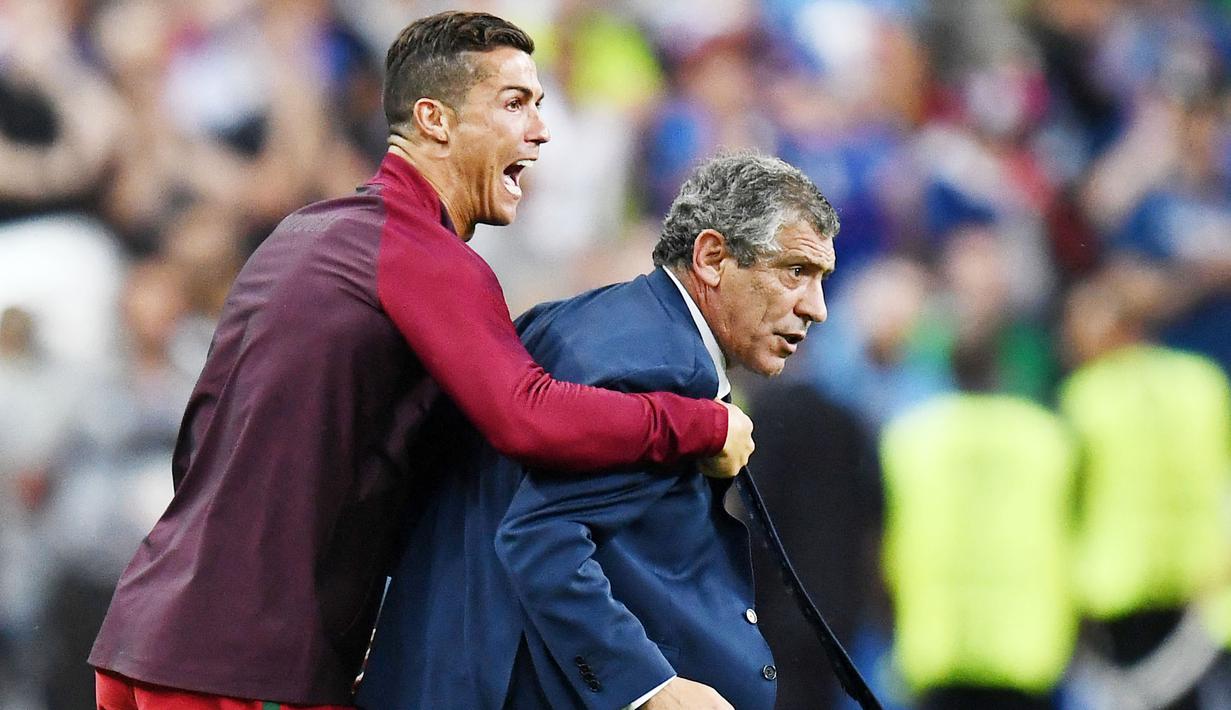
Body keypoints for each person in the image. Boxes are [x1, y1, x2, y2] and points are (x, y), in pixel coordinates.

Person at [90, 12, 754, 710]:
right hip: (245, 665)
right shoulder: (421, 255)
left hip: (152, 633)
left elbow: (201, 443)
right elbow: (528, 416)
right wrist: (700, 424)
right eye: (514, 104)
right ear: (435, 120)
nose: (540, 130)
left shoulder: (303, 233)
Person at [356, 151, 839, 710]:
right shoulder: (665, 368)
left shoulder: (584, 320)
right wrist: (648, 688)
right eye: (795, 272)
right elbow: (538, 542)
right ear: (711, 258)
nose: (817, 309)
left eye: (821, 279)